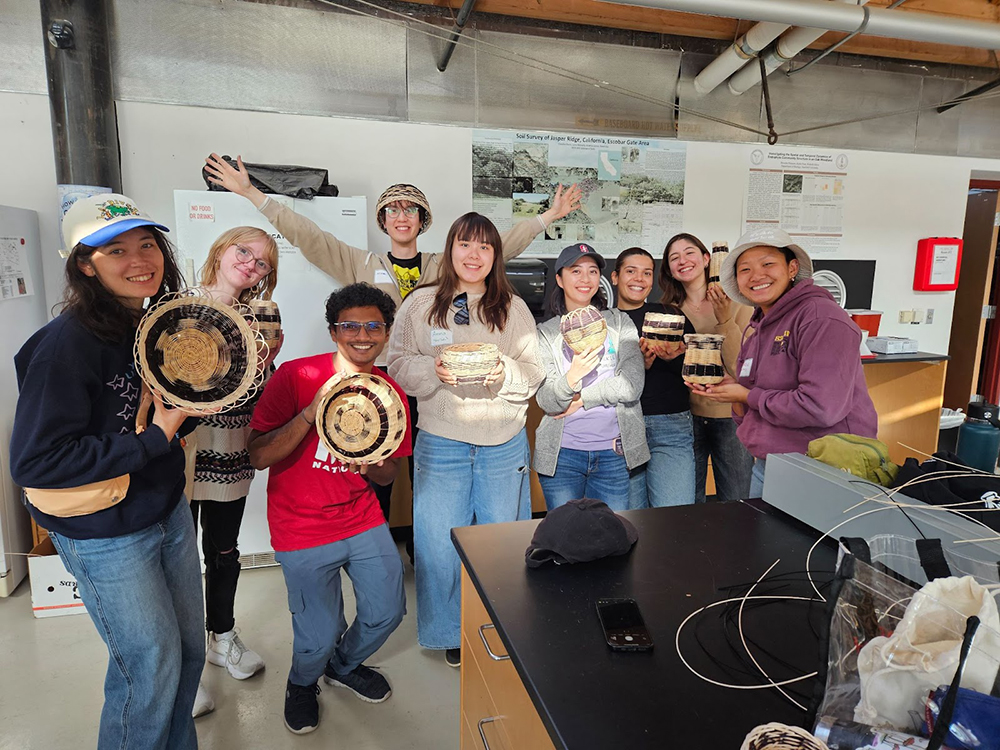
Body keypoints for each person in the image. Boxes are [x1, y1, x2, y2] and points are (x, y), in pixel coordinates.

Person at [205, 153, 580, 529]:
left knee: (429, 478)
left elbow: (498, 245)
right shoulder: (360, 262)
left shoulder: (445, 264)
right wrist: (252, 193)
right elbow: (308, 236)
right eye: (393, 210)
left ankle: (425, 551)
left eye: (411, 210)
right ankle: (378, 543)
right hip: (380, 382)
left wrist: (548, 216)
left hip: (438, 390)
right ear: (383, 221)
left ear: (423, 221)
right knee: (376, 472)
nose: (402, 216)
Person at [10, 194, 204, 749]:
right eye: (115, 249)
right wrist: (155, 439)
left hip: (164, 512)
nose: (139, 258)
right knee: (148, 668)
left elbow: (154, 424)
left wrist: (204, 398)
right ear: (84, 265)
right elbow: (36, 461)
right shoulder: (67, 347)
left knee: (186, 655)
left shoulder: (144, 325)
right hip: (105, 534)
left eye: (147, 243)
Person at [247, 282, 409, 735]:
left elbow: (389, 475)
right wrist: (308, 414)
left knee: (388, 611)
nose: (362, 334)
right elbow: (258, 456)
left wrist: (373, 464)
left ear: (386, 331)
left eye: (373, 325)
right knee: (316, 635)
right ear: (334, 331)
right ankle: (302, 682)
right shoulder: (296, 377)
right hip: (300, 527)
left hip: (361, 518)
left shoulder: (388, 392)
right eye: (350, 325)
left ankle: (342, 665)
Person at [387, 213, 543, 668]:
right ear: (450, 249)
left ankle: (503, 624)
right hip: (442, 441)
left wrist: (505, 372)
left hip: (503, 442)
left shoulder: (514, 309)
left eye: (484, 247)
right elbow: (397, 362)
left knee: (503, 541)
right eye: (464, 245)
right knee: (439, 542)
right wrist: (431, 370)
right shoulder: (419, 305)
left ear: (495, 256)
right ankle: (449, 631)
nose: (473, 255)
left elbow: (533, 373)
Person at [697, 227, 878, 498]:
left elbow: (820, 407)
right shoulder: (760, 325)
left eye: (768, 264)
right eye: (745, 270)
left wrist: (747, 395)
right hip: (771, 464)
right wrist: (732, 394)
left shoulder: (821, 319)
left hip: (826, 469)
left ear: (792, 268)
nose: (757, 276)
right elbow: (752, 399)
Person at [188, 227, 282, 714]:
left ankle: (221, 639)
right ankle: (184, 670)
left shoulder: (261, 315)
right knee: (175, 559)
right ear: (220, 249)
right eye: (243, 251)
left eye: (262, 262)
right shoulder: (175, 304)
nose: (250, 263)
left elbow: (255, 392)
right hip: (176, 451)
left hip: (229, 448)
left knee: (223, 551)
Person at [534, 243, 648, 512]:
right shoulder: (546, 333)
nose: (585, 279)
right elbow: (548, 401)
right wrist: (573, 374)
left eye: (592, 271)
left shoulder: (618, 323)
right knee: (564, 542)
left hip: (614, 455)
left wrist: (582, 398)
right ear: (560, 279)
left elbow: (632, 385)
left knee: (611, 541)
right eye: (576, 271)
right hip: (562, 457)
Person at [660, 233, 754, 502]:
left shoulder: (740, 304)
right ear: (669, 269)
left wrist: (724, 318)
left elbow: (742, 368)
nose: (683, 261)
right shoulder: (670, 311)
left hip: (732, 418)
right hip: (686, 418)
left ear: (706, 259)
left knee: (736, 503)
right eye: (674, 257)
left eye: (689, 253)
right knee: (690, 503)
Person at [612, 247, 695, 508]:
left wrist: (676, 358)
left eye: (647, 273)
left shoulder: (672, 315)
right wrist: (639, 366)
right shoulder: (604, 321)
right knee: (631, 519)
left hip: (672, 423)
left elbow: (697, 368)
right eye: (631, 271)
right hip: (622, 425)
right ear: (614, 277)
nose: (639, 279)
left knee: (674, 513)